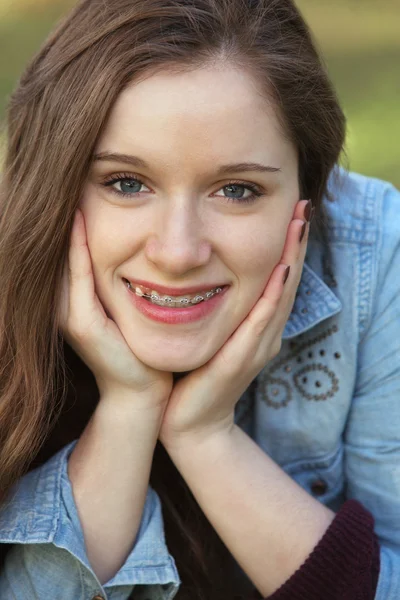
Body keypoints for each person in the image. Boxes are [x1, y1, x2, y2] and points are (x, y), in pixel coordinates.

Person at [0, 0, 398, 598]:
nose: (178, 251)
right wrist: (130, 405)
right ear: (52, 184)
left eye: (237, 189)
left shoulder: (375, 255)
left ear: (308, 191)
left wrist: (206, 434)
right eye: (126, 183)